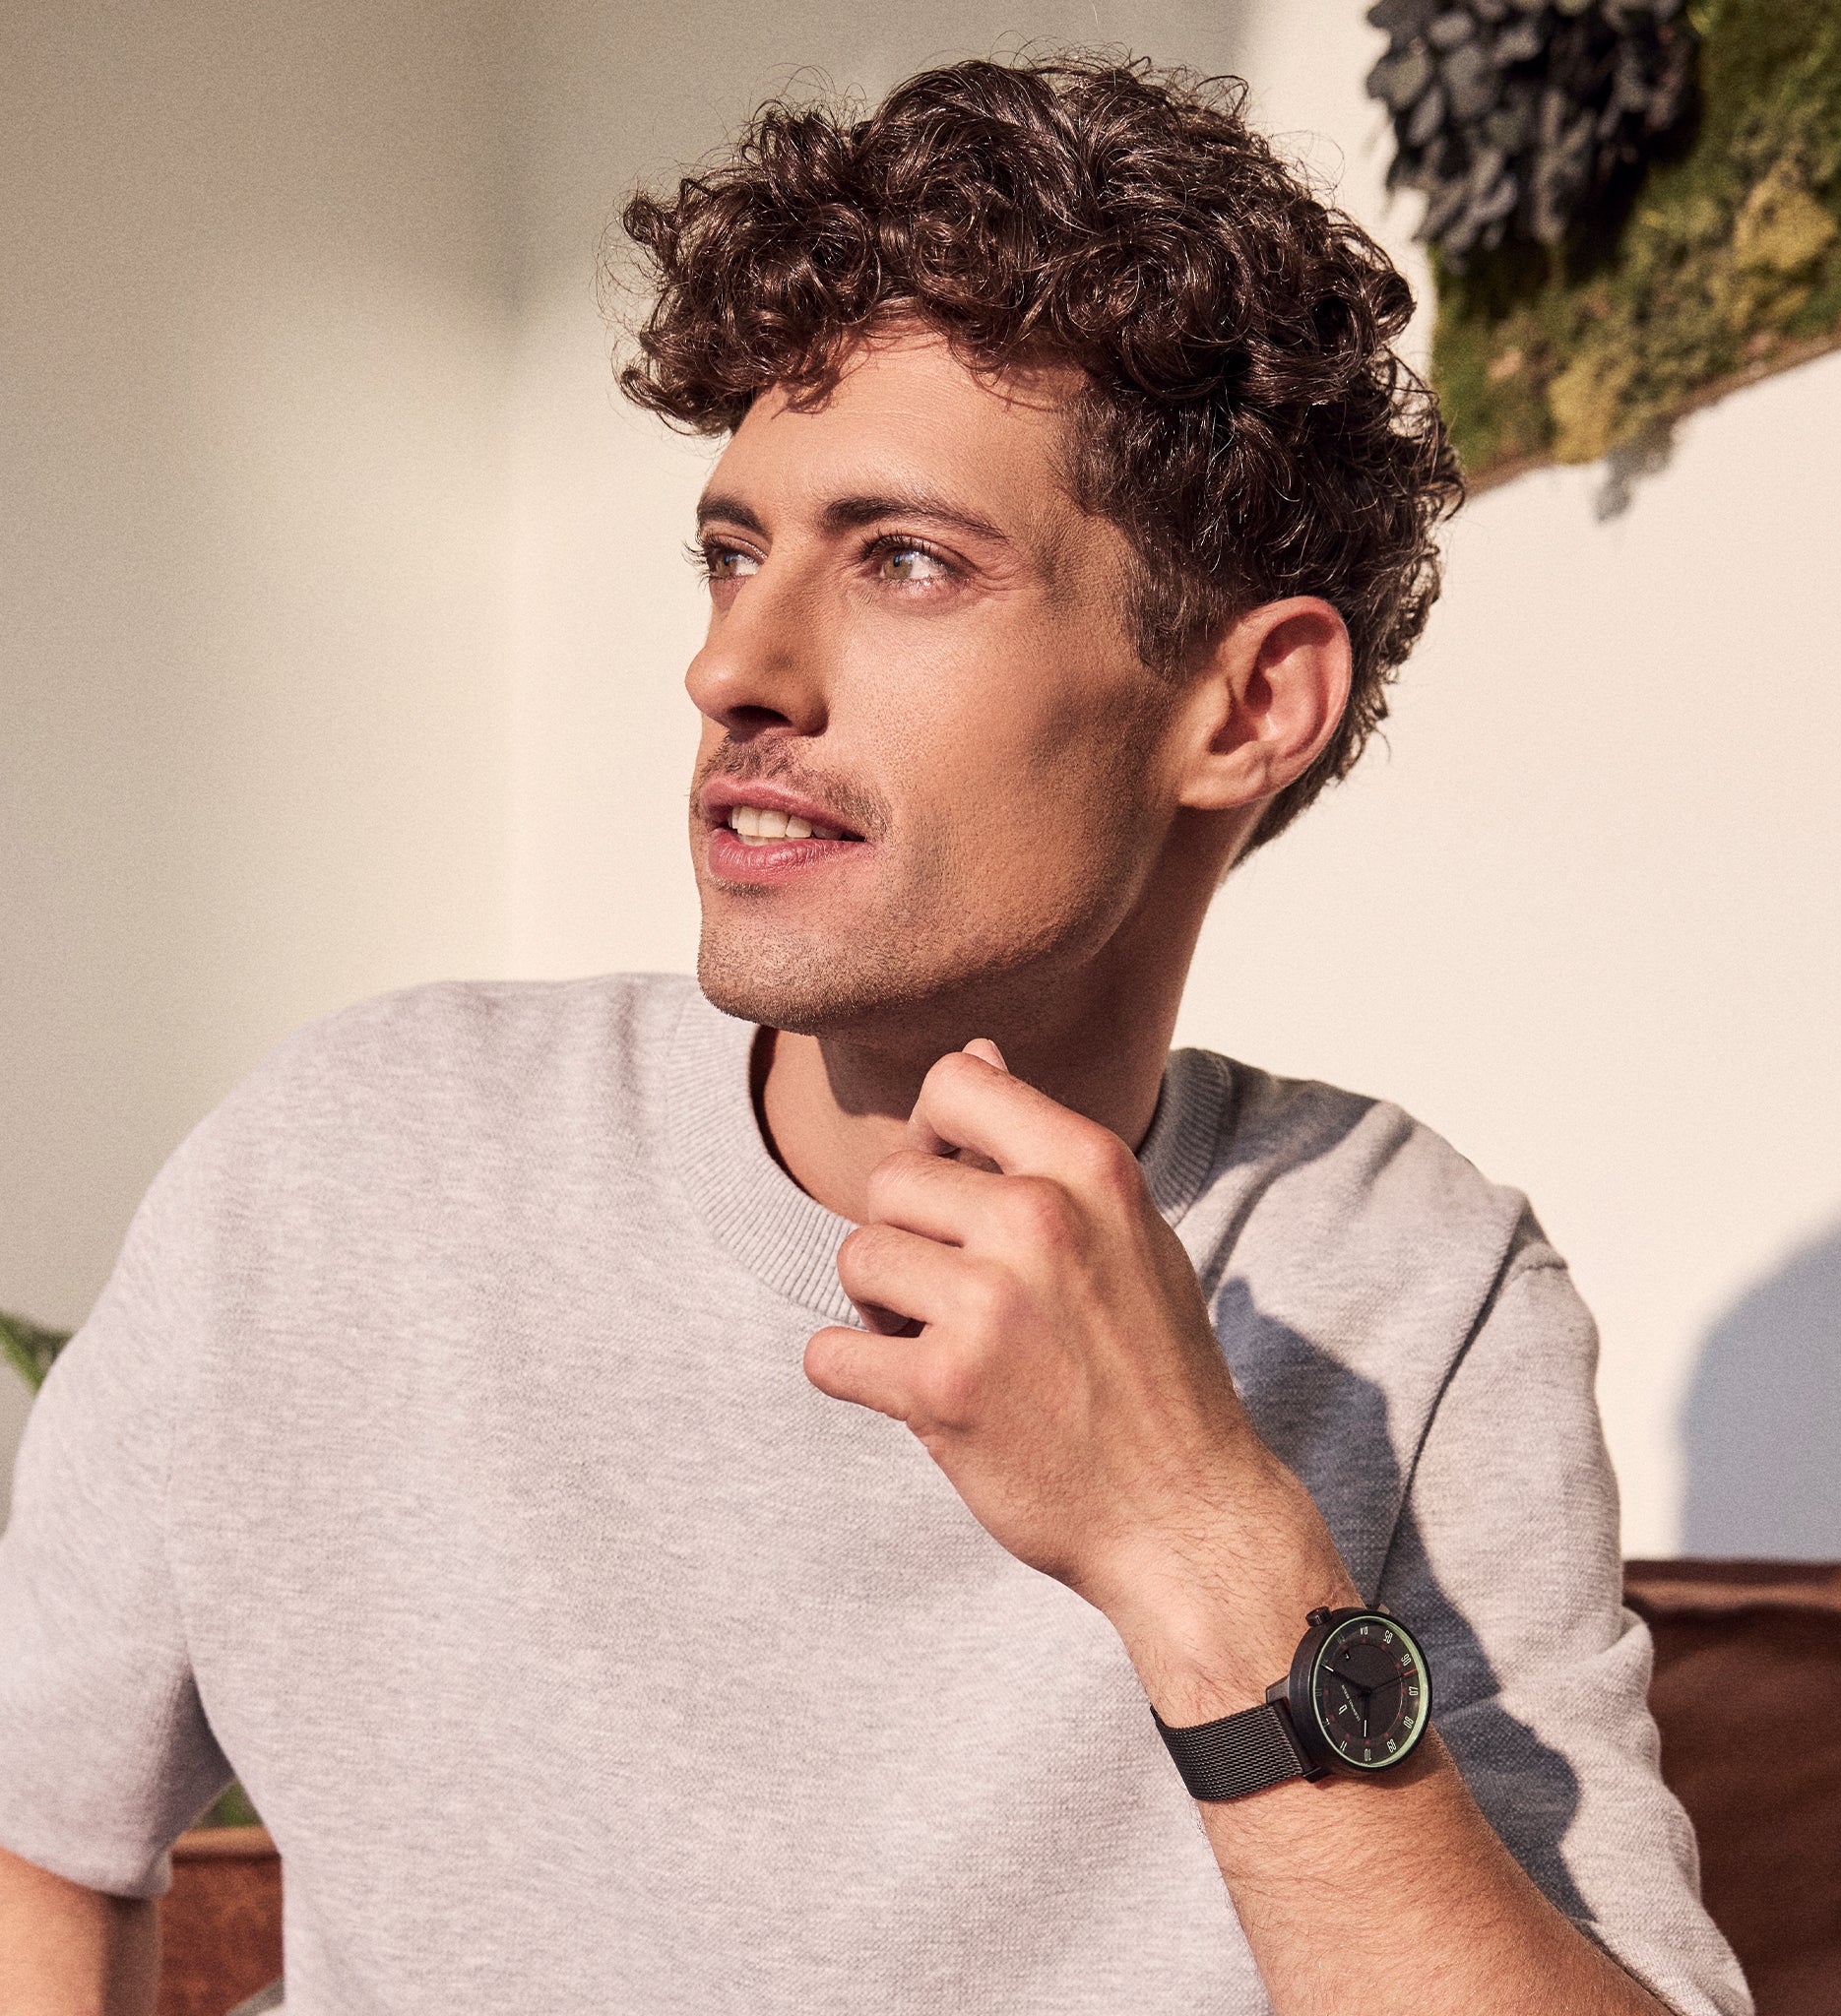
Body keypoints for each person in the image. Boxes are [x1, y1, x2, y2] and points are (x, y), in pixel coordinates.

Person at [0, 55, 1748, 2016]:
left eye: (905, 560)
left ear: (1250, 706)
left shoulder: (1409, 1284)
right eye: (733, 552)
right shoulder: (347, 1166)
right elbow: (33, 1845)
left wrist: (1197, 1539)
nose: (732, 665)